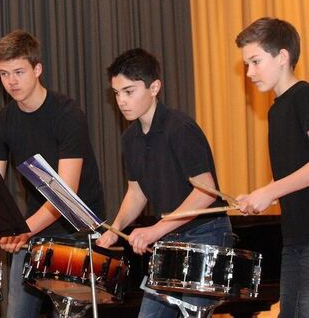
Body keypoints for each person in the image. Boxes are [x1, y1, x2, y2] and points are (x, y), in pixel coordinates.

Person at [96, 48, 232, 317]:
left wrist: (156, 229)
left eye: (129, 91)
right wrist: (116, 227)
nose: (121, 100)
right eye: (116, 93)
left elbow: (206, 192)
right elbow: (136, 192)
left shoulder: (180, 128)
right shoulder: (130, 138)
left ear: (154, 87)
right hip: (170, 238)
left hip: (205, 233)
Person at [0, 30, 106, 317]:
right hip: (35, 230)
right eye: (4, 74)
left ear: (37, 69)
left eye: (18, 72)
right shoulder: (2, 123)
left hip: (78, 232)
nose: (11, 81)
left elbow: (66, 194)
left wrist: (22, 231)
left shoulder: (67, 114)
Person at [234, 17, 308, 317]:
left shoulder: (304, 96)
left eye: (255, 61)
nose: (249, 73)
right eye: (246, 64)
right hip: (294, 239)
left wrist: (270, 190)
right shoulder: (276, 110)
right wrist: (260, 197)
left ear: (282, 57)